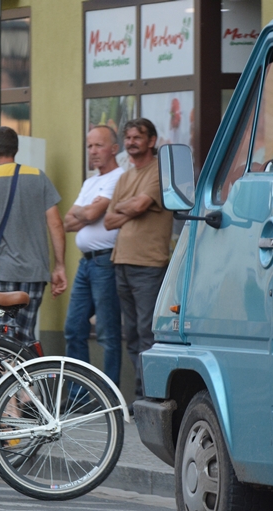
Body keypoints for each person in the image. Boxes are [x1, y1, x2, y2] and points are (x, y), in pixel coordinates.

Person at [104, 118, 173, 410]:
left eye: (138, 137)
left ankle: (150, 396)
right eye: (128, 137)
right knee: (130, 334)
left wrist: (130, 206)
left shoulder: (159, 171)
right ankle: (143, 393)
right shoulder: (125, 176)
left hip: (148, 264)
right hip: (121, 261)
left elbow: (140, 205)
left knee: (147, 333)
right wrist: (130, 207)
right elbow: (109, 220)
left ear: (152, 141)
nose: (132, 142)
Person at [0, 126, 67, 343]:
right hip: (35, 273)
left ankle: (2, 378)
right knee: (23, 338)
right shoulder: (38, 176)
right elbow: (55, 224)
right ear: (15, 150)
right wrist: (59, 266)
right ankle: (29, 376)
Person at [63, 125, 124, 388]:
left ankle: (110, 395)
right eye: (89, 146)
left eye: (99, 145)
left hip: (106, 262)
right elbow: (67, 222)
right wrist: (88, 212)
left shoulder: (119, 178)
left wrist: (85, 212)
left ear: (114, 148)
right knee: (73, 329)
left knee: (108, 334)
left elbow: (87, 216)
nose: (93, 151)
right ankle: (80, 396)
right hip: (86, 262)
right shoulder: (91, 182)